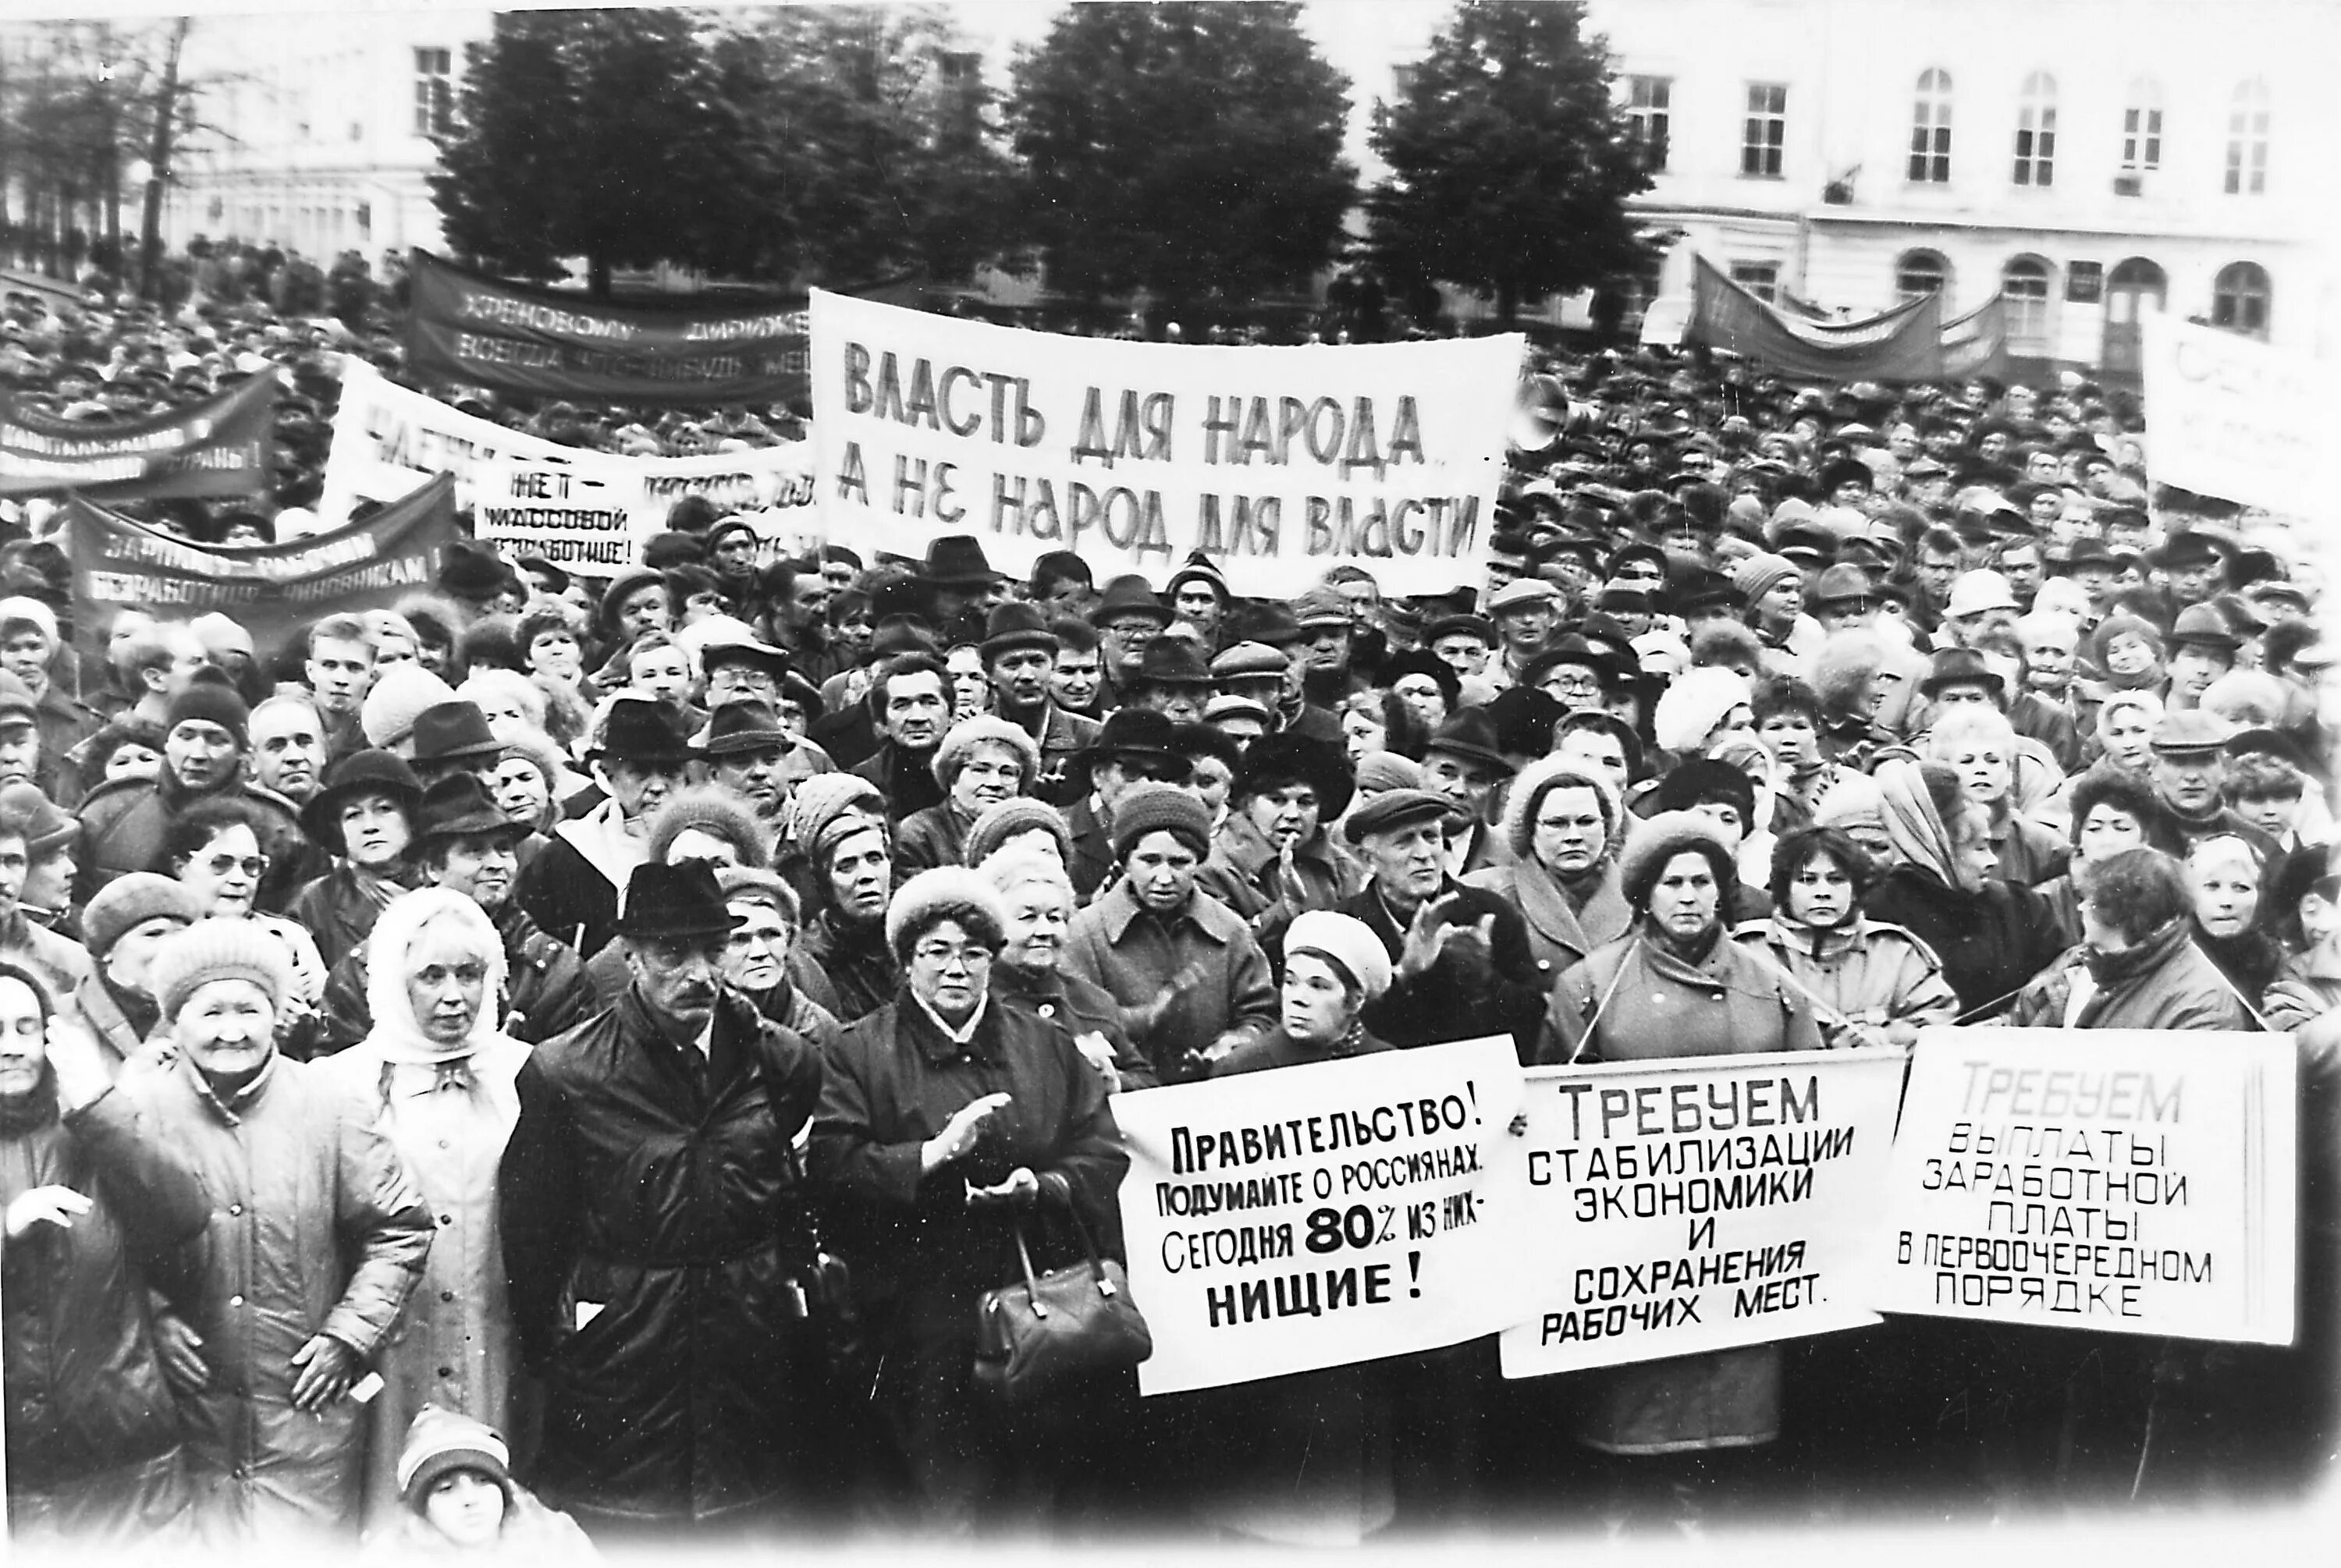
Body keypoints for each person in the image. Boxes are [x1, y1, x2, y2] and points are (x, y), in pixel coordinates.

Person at [499, 861, 829, 1539]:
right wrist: (568, 1339)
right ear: (631, 956)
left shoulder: (781, 1060)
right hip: (623, 1352)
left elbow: (787, 1197)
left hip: (746, 1342)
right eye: (673, 954)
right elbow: (533, 1236)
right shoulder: (568, 1073)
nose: (700, 974)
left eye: (715, 950)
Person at [809, 866, 1128, 1535]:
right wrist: (934, 1155)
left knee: (1036, 1492)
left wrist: (1043, 1187)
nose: (956, 969)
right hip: (919, 1313)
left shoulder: (1045, 1043)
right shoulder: (858, 1050)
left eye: (974, 952)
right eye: (937, 952)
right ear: (906, 961)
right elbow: (835, 1171)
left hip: (1035, 1298)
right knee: (943, 1495)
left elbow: (1101, 1149)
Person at [1538, 812, 1825, 1522]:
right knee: (1633, 1453)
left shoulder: (1774, 986)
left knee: (1729, 1459)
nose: (1690, 896)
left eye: (1703, 881)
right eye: (1673, 883)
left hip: (1743, 1252)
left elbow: (1825, 1104)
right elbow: (1551, 1104)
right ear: (1644, 894)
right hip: (1634, 1258)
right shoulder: (1589, 986)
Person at [123, 918, 435, 1541]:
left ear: (277, 1015)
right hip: (185, 1415)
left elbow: (400, 1228)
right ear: (175, 1019)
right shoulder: (138, 1111)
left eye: (250, 1009)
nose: (232, 1030)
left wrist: (349, 1334)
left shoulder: (330, 1103)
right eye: (211, 1011)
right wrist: (152, 1316)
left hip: (306, 1415)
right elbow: (107, 1245)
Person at [1174, 910, 1398, 1544]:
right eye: (1292, 982)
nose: (1299, 998)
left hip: (1359, 1310)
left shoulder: (1394, 1073)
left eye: (1321, 987)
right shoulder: (1242, 1070)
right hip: (1271, 1314)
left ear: (1356, 1001)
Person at [315, 889, 530, 1527]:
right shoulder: (339, 1085)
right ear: (391, 981)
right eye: (430, 976)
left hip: (496, 1336)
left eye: (470, 973)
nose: (454, 996)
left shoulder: (529, 1076)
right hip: (389, 1350)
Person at [1, 961, 211, 1541]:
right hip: (14, 1470)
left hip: (125, 1459)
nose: (13, 1047)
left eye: (26, 1027)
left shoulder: (92, 1127)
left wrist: (99, 1104)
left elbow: (183, 1213)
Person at [1060, 781, 1277, 1082]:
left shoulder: (1230, 930)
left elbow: (1262, 1013)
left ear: (1198, 863)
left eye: (1179, 863)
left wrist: (1235, 1044)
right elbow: (1073, 1025)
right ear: (1125, 862)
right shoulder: (1085, 934)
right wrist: (1144, 1019)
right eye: (1150, 861)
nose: (1164, 877)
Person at [1337, 787, 1547, 1057]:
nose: (1424, 854)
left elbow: (1534, 1022)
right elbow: (1338, 1029)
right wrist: (1404, 975)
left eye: (1431, 837)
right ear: (1369, 859)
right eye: (1405, 841)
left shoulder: (1489, 912)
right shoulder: (1346, 925)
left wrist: (1485, 980)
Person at [1860, 760, 2064, 1020]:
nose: (1993, 861)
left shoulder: (2019, 906)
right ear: (1940, 846)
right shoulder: (1879, 910)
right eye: (1978, 848)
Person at [1733, 826, 1959, 1048]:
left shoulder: (1896, 952)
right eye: (1807, 880)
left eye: (1836, 880)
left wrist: (1885, 1038)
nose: (1823, 892)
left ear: (1855, 888)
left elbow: (1939, 1022)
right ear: (1785, 888)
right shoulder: (1746, 950)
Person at [513, 697, 692, 959]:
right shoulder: (566, 856)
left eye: (670, 772)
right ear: (609, 776)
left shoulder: (712, 845)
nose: (657, 787)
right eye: (640, 773)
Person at [2008, 848, 2257, 1031]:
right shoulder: (2077, 962)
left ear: (2120, 911)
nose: (2081, 908)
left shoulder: (2201, 1003)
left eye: (2091, 901)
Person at [979, 850, 1153, 1092]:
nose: (1044, 931)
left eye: (1055, 918)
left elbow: (1148, 1083)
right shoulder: (973, 1005)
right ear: (992, 925)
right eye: (1028, 917)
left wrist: (1114, 1081)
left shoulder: (1093, 1003)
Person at [160, 796, 329, 1045]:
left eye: (251, 866)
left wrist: (313, 1009)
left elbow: (333, 1026)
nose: (239, 879)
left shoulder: (288, 937)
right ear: (181, 867)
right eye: (220, 864)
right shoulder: (161, 940)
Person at [1466, 754, 1632, 988]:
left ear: (1606, 827)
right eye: (1556, 824)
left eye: (1586, 822)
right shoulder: (1488, 895)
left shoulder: (1639, 897)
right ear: (1530, 830)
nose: (1574, 837)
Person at [360, 1405, 595, 1560]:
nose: (470, 1500)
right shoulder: (389, 1558)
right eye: (446, 1489)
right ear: (422, 1508)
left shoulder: (559, 1541)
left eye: (483, 1481)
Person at [287, 750, 424, 970]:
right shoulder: (315, 903)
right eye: (353, 815)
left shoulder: (444, 887)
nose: (370, 826)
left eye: (384, 809)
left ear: (411, 818)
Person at [72, 872, 200, 1072]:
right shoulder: (63, 1018)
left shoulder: (207, 1015)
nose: (172, 948)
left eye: (182, 935)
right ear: (107, 950)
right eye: (154, 934)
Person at [895, 715, 1039, 878]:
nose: (995, 783)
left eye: (1008, 773)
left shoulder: (1032, 833)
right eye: (981, 770)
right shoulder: (919, 833)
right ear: (953, 777)